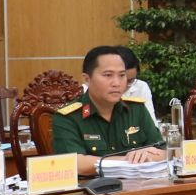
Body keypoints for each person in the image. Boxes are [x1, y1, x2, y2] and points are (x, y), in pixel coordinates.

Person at [50, 46, 166, 175]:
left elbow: (164, 152)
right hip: (93, 191)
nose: (117, 83)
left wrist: (146, 155)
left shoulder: (136, 109)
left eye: (122, 75)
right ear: (87, 79)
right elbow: (75, 163)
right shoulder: (67, 117)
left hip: (140, 187)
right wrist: (128, 161)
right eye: (108, 75)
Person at [118, 45, 157, 119]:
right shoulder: (94, 89)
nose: (125, 85)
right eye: (122, 79)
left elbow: (151, 120)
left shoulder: (141, 87)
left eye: (131, 80)